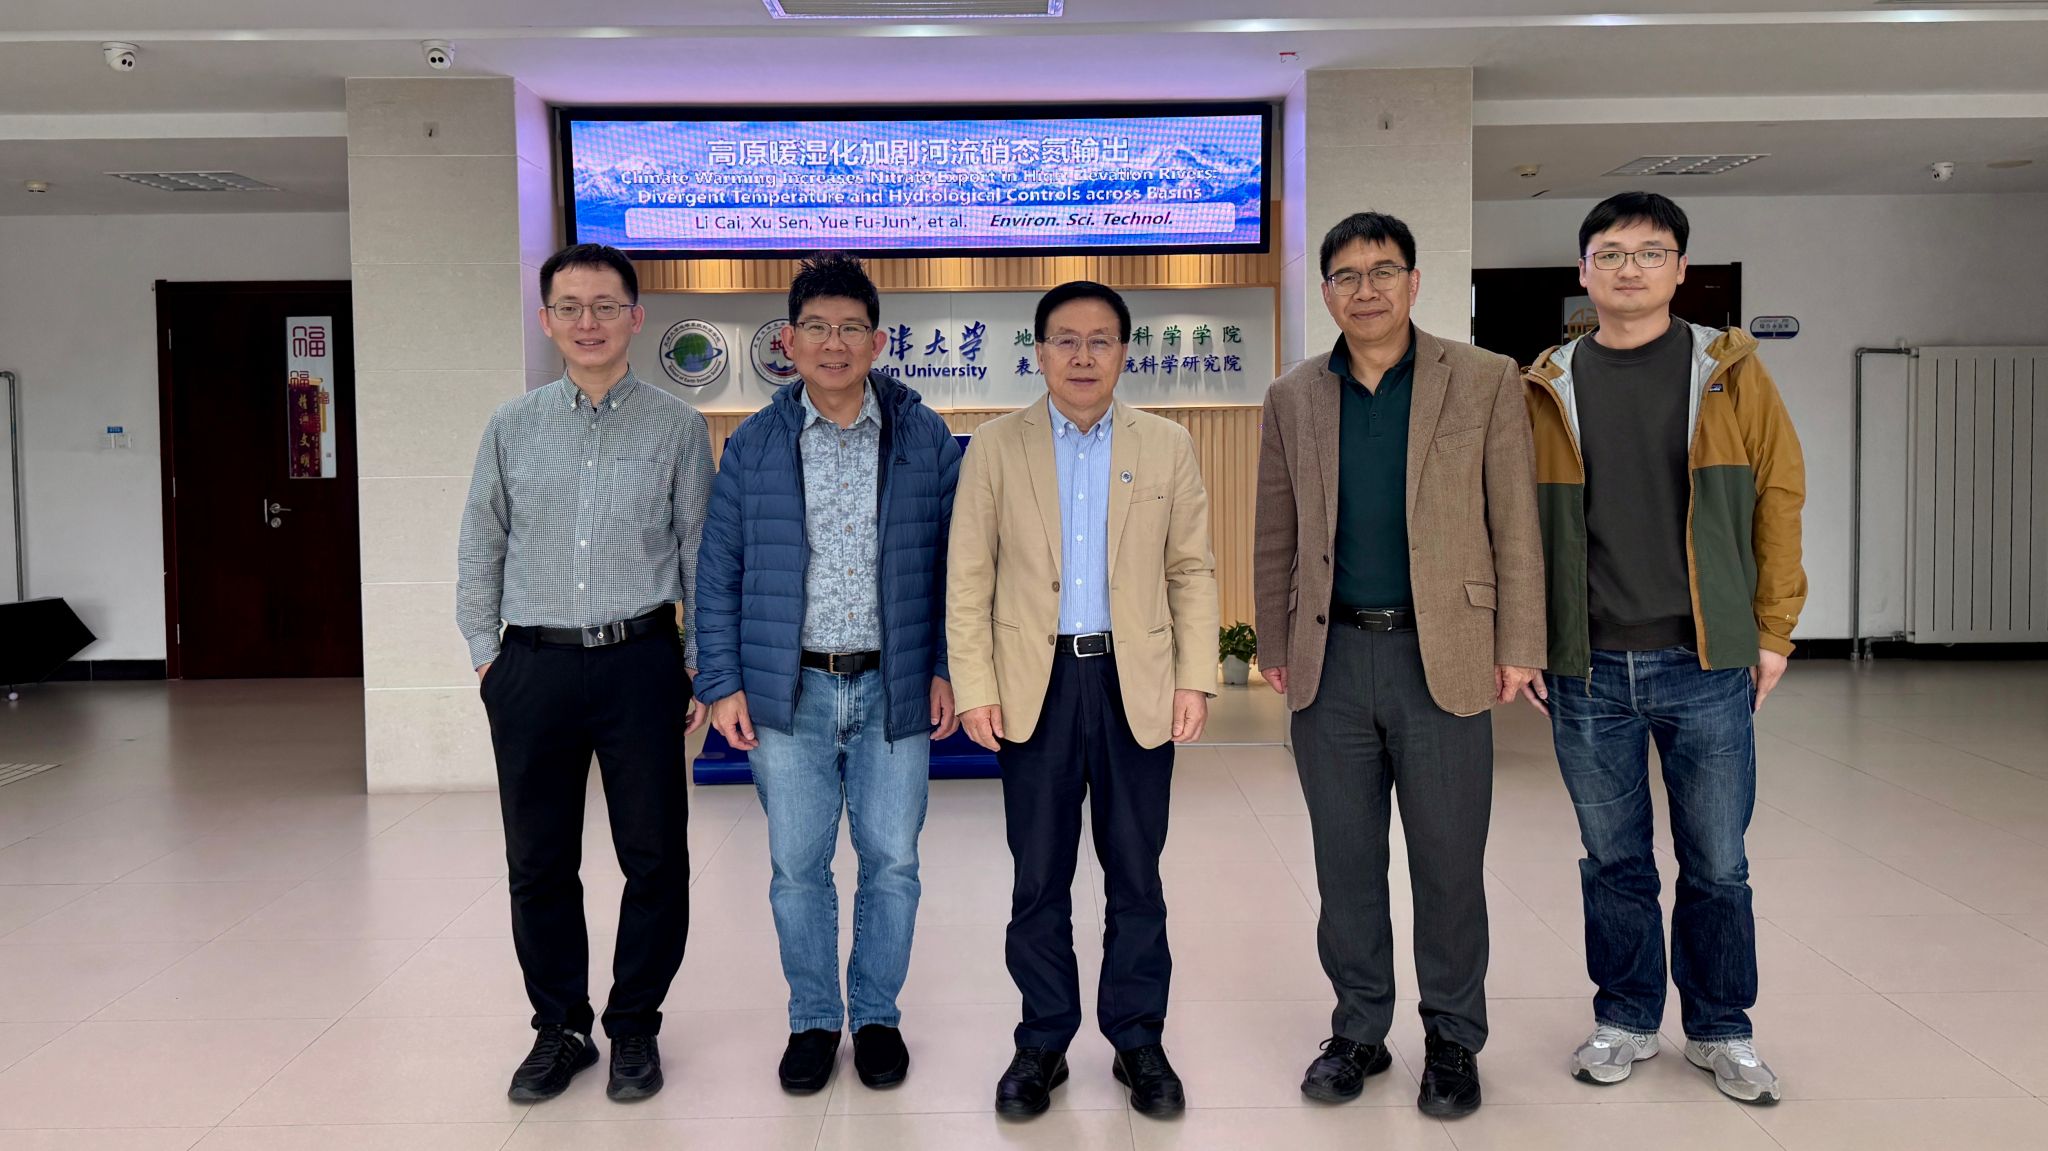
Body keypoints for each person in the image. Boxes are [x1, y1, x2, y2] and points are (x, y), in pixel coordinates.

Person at [1252, 211, 1545, 1119]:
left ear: (1415, 282)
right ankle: (1359, 1030)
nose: (1366, 289)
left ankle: (1453, 1038)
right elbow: (1274, 529)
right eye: (1346, 275)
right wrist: (1273, 642)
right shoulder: (1293, 395)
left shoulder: (1485, 378)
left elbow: (1516, 522)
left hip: (1442, 654)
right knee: (1345, 863)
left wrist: (1519, 643)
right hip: (1332, 658)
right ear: (1326, 292)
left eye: (1383, 271)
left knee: (1450, 863)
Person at [1521, 191, 1806, 1104]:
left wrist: (1773, 628)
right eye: (1610, 253)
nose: (1630, 268)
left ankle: (1722, 1028)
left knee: (1718, 860)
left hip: (1706, 659)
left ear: (1681, 269)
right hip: (1588, 664)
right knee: (1613, 859)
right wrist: (1527, 639)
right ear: (1584, 271)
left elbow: (1779, 496)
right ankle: (1627, 1017)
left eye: (1651, 252)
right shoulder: (1547, 384)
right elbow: (1517, 524)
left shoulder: (1729, 372)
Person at [947, 280, 1219, 1119]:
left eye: (1100, 340)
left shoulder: (1167, 443)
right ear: (1039, 352)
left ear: (1124, 352)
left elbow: (1191, 569)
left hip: (1134, 681)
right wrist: (975, 687)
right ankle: (1043, 1039)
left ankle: (1138, 1038)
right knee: (1039, 876)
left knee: (1137, 872)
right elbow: (969, 576)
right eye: (1065, 339)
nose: (1082, 355)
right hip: (1036, 684)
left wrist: (1194, 676)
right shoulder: (997, 446)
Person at [695, 253, 961, 1096]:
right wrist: (721, 682)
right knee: (796, 866)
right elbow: (718, 570)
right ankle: (813, 1018)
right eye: (817, 327)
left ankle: (876, 1016)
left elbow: (958, 567)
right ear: (789, 339)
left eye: (851, 327)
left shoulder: (922, 435)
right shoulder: (755, 444)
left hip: (894, 686)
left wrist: (946, 667)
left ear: (879, 341)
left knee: (892, 861)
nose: (834, 343)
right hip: (790, 690)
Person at [457, 242, 713, 1103]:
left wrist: (697, 663)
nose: (588, 322)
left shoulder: (677, 427)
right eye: (570, 307)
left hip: (641, 663)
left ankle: (634, 1024)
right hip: (532, 665)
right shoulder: (512, 425)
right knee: (538, 861)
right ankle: (560, 1026)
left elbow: (700, 553)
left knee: (655, 857)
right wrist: (486, 654)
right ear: (546, 320)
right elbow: (481, 543)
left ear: (636, 317)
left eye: (605, 306)